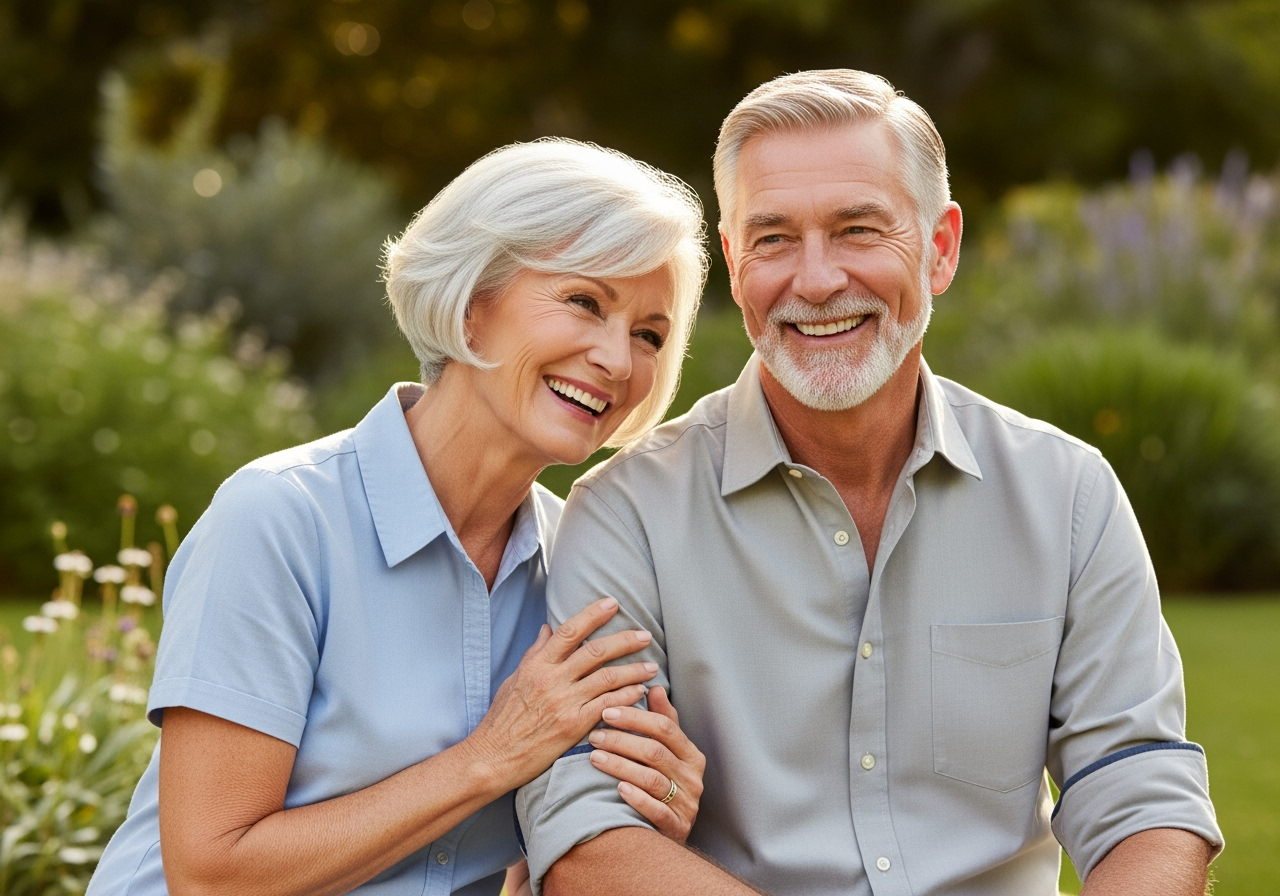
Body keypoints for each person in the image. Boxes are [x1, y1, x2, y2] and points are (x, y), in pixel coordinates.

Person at [516, 70, 1224, 896]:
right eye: (774, 239)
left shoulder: (1067, 494)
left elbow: (1138, 787)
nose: (815, 281)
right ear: (735, 262)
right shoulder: (628, 514)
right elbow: (586, 836)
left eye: (857, 229)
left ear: (941, 248)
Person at [87, 137, 712, 896]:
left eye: (649, 333)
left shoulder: (580, 566)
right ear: (471, 305)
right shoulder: (279, 519)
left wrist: (645, 819)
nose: (619, 360)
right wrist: (491, 757)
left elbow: (514, 876)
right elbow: (212, 875)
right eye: (585, 302)